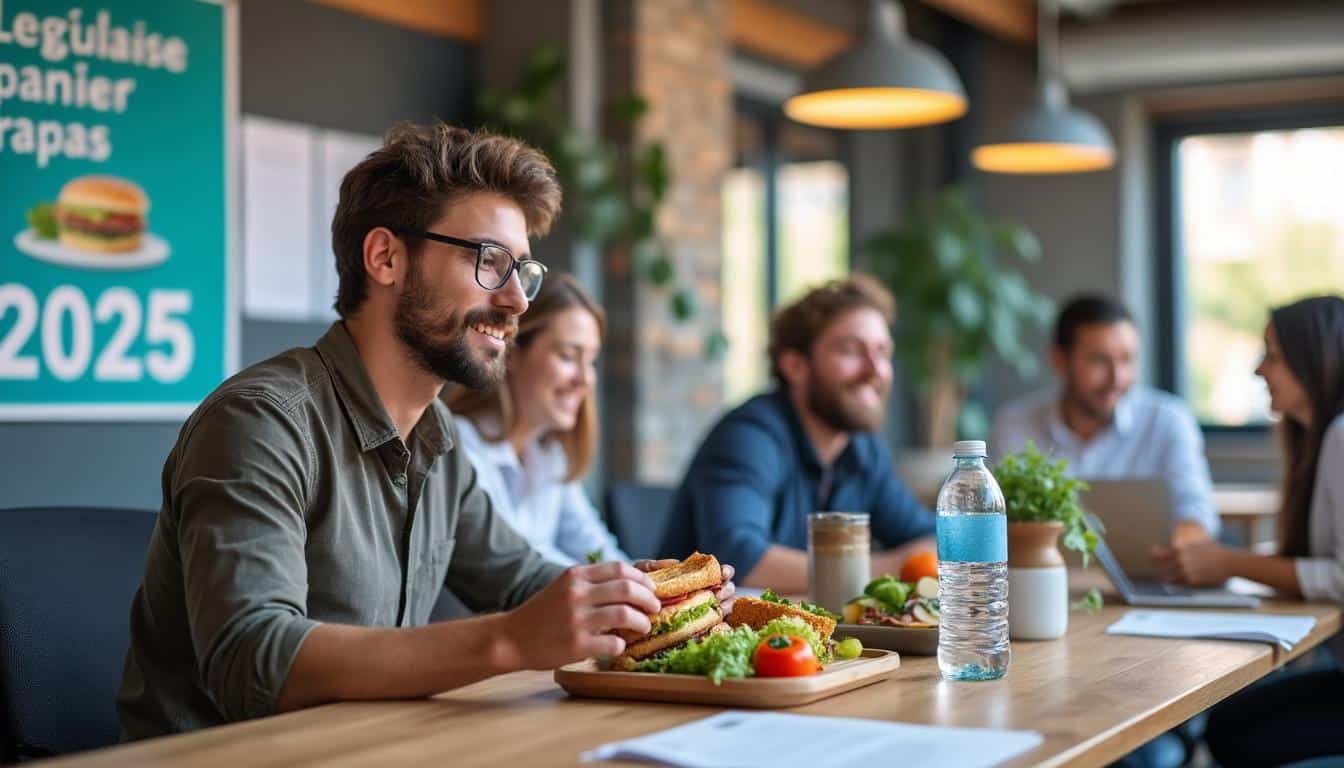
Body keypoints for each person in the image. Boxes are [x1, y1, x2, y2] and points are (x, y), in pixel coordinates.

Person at [116, 122, 732, 740]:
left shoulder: (436, 437)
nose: (518, 300)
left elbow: (524, 582)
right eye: (490, 262)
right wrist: (508, 640)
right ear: (385, 257)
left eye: (523, 269)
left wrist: (656, 600)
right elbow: (254, 658)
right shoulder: (262, 421)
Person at [1155, 295, 1344, 767]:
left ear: (1313, 359)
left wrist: (1231, 563)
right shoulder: (1319, 438)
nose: (1259, 370)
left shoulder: (1342, 435)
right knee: (1230, 724)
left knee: (1235, 733)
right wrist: (1222, 560)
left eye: (1273, 357)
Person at [663, 275, 935, 595]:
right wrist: (896, 566)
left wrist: (915, 557)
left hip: (806, 640)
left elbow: (933, 539)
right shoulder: (749, 437)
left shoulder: (861, 450)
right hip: (704, 638)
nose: (876, 370)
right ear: (795, 367)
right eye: (852, 350)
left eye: (882, 351)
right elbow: (738, 559)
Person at [993, 294, 1219, 544]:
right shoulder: (1014, 425)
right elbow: (993, 521)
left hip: (1147, 577)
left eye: (1127, 360)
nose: (1116, 378)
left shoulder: (1168, 421)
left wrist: (1155, 554)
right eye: (1099, 360)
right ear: (1059, 360)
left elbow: (1199, 520)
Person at [444, 273, 628, 566]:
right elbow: (519, 569)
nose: (584, 379)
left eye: (591, 361)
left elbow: (596, 551)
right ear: (512, 353)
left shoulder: (549, 453)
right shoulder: (459, 448)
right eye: (568, 356)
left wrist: (658, 584)